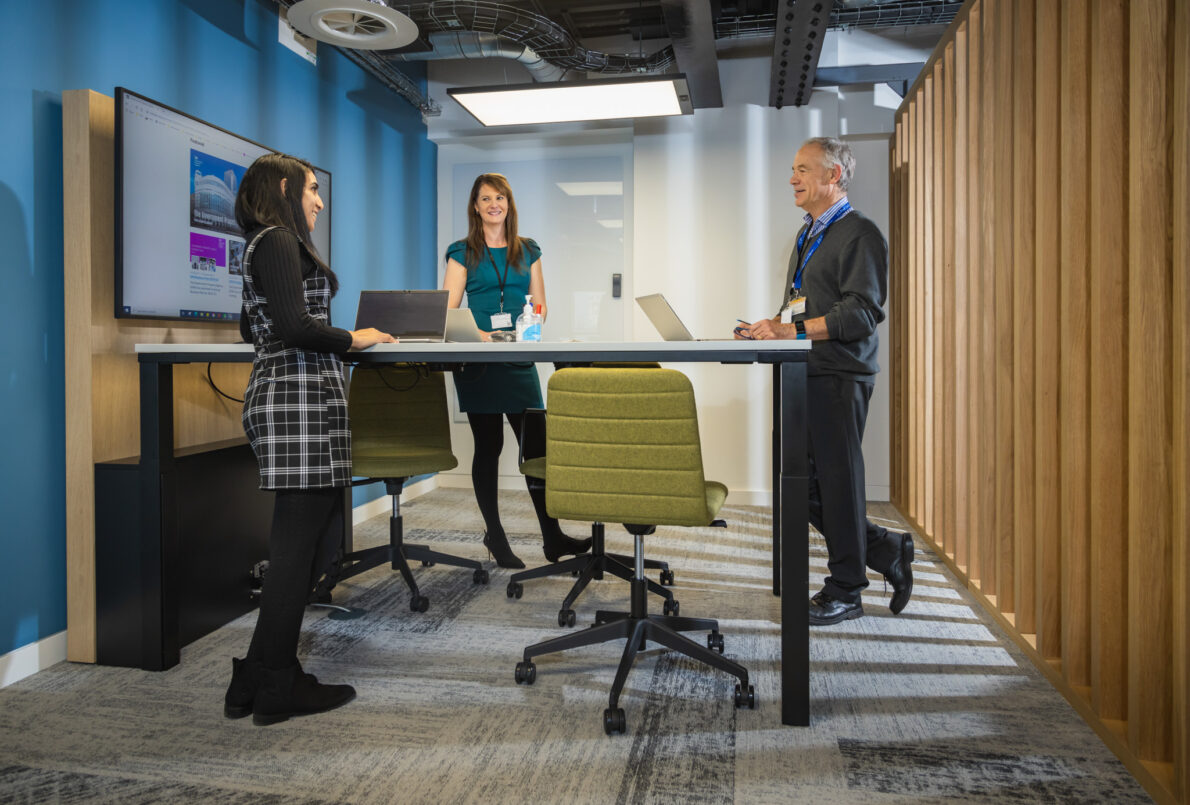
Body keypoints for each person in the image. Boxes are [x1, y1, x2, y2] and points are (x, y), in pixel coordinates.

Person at [224, 153, 394, 725]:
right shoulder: (275, 240)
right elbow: (294, 327)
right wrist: (356, 336)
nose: (320, 201)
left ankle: (253, 677)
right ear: (283, 186)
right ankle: (277, 685)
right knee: (296, 554)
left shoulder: (262, 244)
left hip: (296, 398)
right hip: (297, 403)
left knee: (296, 547)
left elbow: (255, 326)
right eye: (314, 189)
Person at [736, 137, 914, 625]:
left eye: (802, 170)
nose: (792, 178)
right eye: (792, 170)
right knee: (799, 484)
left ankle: (847, 588)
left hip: (839, 373)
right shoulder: (807, 234)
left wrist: (790, 329)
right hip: (800, 372)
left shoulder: (861, 234)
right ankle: (884, 548)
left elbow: (862, 311)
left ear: (833, 176)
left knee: (838, 483)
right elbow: (803, 304)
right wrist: (769, 326)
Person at [443, 173, 591, 569]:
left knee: (536, 447)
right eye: (486, 198)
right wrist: (481, 336)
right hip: (479, 359)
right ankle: (495, 533)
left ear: (509, 204)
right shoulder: (462, 252)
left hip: (518, 356)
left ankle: (552, 535)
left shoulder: (529, 250)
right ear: (475, 206)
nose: (494, 204)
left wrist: (531, 326)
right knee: (488, 447)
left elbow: (541, 304)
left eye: (500, 198)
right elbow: (449, 309)